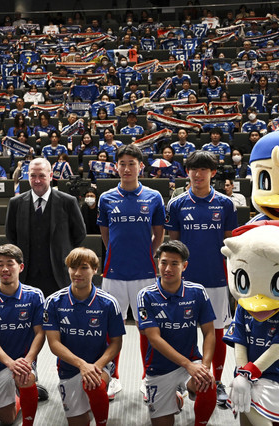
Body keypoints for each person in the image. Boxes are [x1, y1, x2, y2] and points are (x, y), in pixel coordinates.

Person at [164, 151, 238, 407]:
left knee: (215, 332)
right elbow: (173, 246)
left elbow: (230, 244)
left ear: (213, 173)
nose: (198, 174)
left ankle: (216, 381)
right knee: (181, 331)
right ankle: (181, 381)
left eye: (203, 169)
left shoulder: (226, 204)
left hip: (216, 279)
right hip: (185, 282)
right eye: (193, 169)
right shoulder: (177, 204)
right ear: (188, 172)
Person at [97, 144, 165, 400]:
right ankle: (112, 378)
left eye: (131, 164)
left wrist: (147, 253)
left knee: (148, 329)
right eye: (122, 163)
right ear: (116, 167)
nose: (127, 168)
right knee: (110, 329)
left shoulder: (154, 197)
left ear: (140, 167)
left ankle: (148, 378)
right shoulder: (106, 198)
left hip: (145, 273)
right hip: (113, 274)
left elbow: (158, 234)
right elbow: (106, 235)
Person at [137, 240, 217, 426]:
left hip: (190, 362)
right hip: (159, 368)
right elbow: (154, 339)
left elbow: (210, 333)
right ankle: (177, 398)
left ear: (184, 266)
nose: (168, 268)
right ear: (158, 263)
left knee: (208, 383)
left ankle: (189, 394)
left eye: (175, 263)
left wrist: (203, 367)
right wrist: (189, 365)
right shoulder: (146, 295)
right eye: (164, 262)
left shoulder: (197, 292)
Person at [43, 248, 125, 426]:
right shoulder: (53, 302)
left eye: (84, 267)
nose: (77, 273)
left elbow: (116, 343)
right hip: (69, 368)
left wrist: (96, 366)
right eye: (73, 267)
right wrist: (81, 365)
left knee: (93, 384)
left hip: (99, 366)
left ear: (95, 270)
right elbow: (54, 343)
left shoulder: (109, 303)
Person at [0, 244, 46, 426]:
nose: (5, 269)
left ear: (21, 267)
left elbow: (40, 333)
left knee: (26, 376)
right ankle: (18, 393)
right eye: (0, 264)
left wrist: (28, 361)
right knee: (6, 420)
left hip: (24, 361)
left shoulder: (35, 295)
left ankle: (26, 394)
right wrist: (10, 363)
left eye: (10, 264)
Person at [6, 157, 86, 296]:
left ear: (50, 176)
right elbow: (11, 235)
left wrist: (62, 253)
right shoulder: (15, 203)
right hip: (26, 275)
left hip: (59, 274)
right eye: (33, 176)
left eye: (42, 176)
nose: (37, 180)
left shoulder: (68, 201)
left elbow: (79, 234)